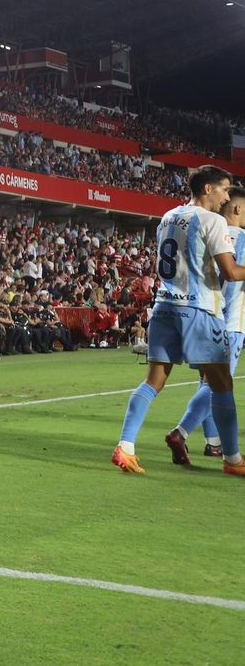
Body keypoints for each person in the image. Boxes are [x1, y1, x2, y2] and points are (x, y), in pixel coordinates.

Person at [113, 165, 245, 475]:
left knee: (153, 381)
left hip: (165, 308)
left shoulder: (168, 216)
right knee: (222, 386)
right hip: (199, 310)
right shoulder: (211, 220)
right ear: (208, 189)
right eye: (224, 188)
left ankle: (125, 446)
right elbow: (231, 272)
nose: (227, 196)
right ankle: (233, 460)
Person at [167, 185, 245, 465]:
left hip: (206, 317)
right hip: (232, 322)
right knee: (219, 387)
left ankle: (213, 444)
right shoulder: (241, 238)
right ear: (236, 208)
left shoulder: (209, 233)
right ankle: (181, 431)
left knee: (208, 384)